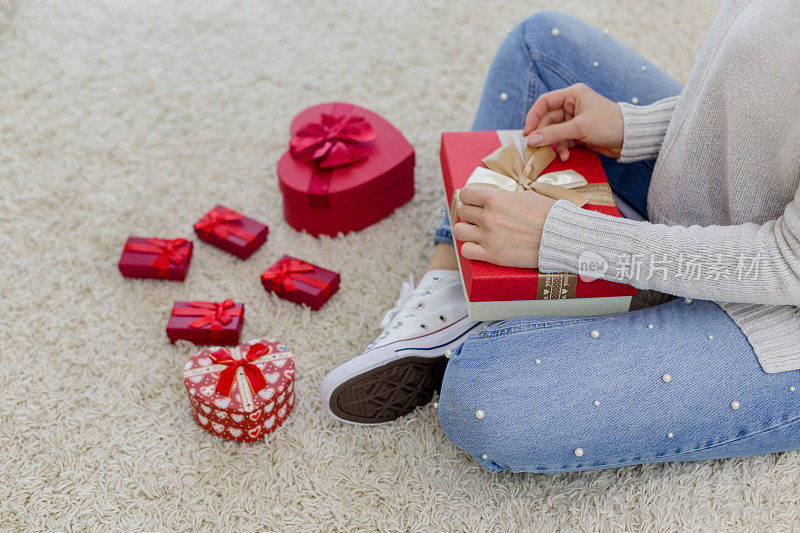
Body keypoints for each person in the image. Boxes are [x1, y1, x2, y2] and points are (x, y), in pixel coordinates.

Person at [320, 2, 800, 473]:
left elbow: (788, 262)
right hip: (734, 198)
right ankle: (459, 282)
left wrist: (567, 238)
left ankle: (565, 296)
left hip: (783, 309)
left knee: (487, 396)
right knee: (538, 48)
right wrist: (636, 126)